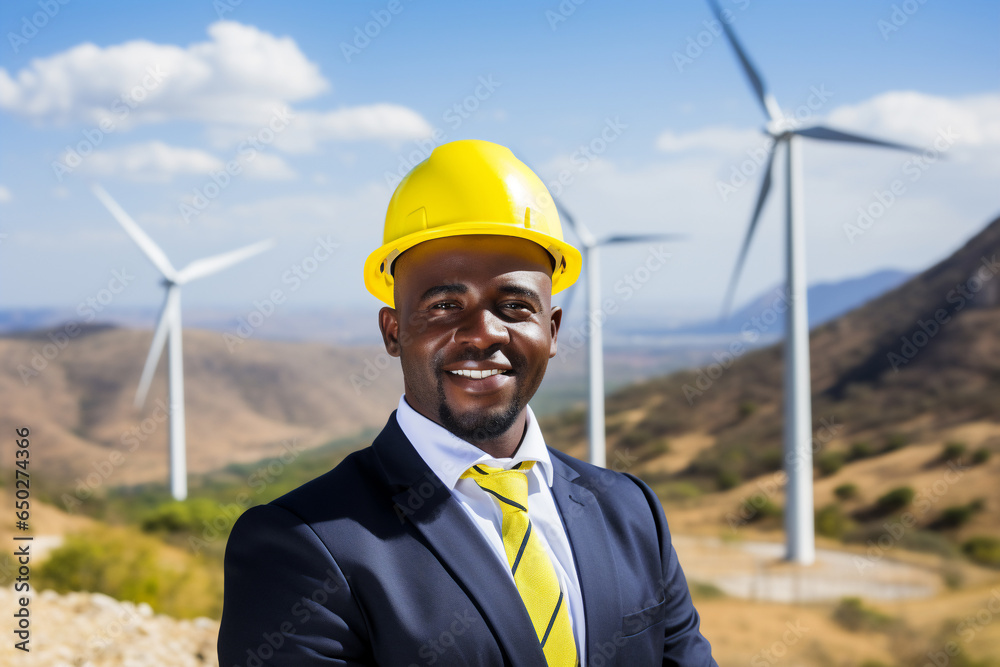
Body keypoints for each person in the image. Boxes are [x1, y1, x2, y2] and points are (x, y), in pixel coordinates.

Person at [218, 140, 716, 666]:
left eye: (514, 306)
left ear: (552, 331)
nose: (483, 334)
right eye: (444, 305)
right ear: (393, 330)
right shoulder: (301, 545)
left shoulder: (633, 513)